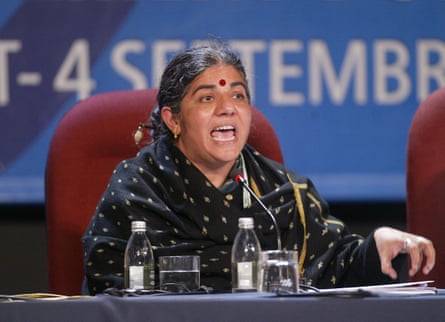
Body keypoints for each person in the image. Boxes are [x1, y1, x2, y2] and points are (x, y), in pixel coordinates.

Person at [82, 42, 435, 295]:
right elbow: (110, 287)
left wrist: (376, 246)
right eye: (208, 98)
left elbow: (333, 267)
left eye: (238, 96)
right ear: (173, 119)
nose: (228, 108)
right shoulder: (137, 189)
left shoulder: (283, 192)